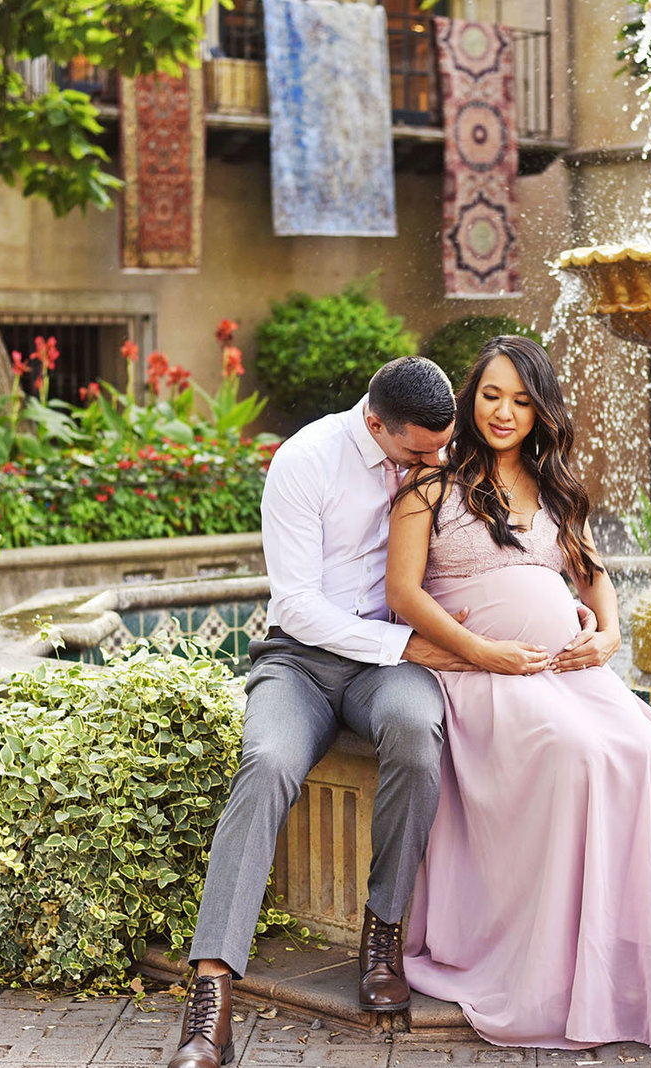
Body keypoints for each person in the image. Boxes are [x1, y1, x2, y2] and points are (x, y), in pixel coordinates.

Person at [385, 336, 651, 1051]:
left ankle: (623, 963)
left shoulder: (558, 488)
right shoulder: (429, 487)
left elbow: (595, 578)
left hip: (564, 670)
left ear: (542, 411)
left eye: (523, 400)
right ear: (471, 400)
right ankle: (551, 966)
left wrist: (610, 636)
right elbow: (402, 593)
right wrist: (481, 651)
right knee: (580, 755)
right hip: (479, 676)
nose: (505, 412)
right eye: (492, 395)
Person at [166, 357, 462, 1068]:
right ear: (375, 425)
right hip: (300, 661)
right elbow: (296, 604)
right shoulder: (305, 461)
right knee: (266, 762)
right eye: (422, 451)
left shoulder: (435, 457)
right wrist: (408, 642)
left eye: (444, 445)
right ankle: (210, 1003)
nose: (439, 461)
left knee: (419, 733)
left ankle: (383, 935)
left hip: (386, 671)